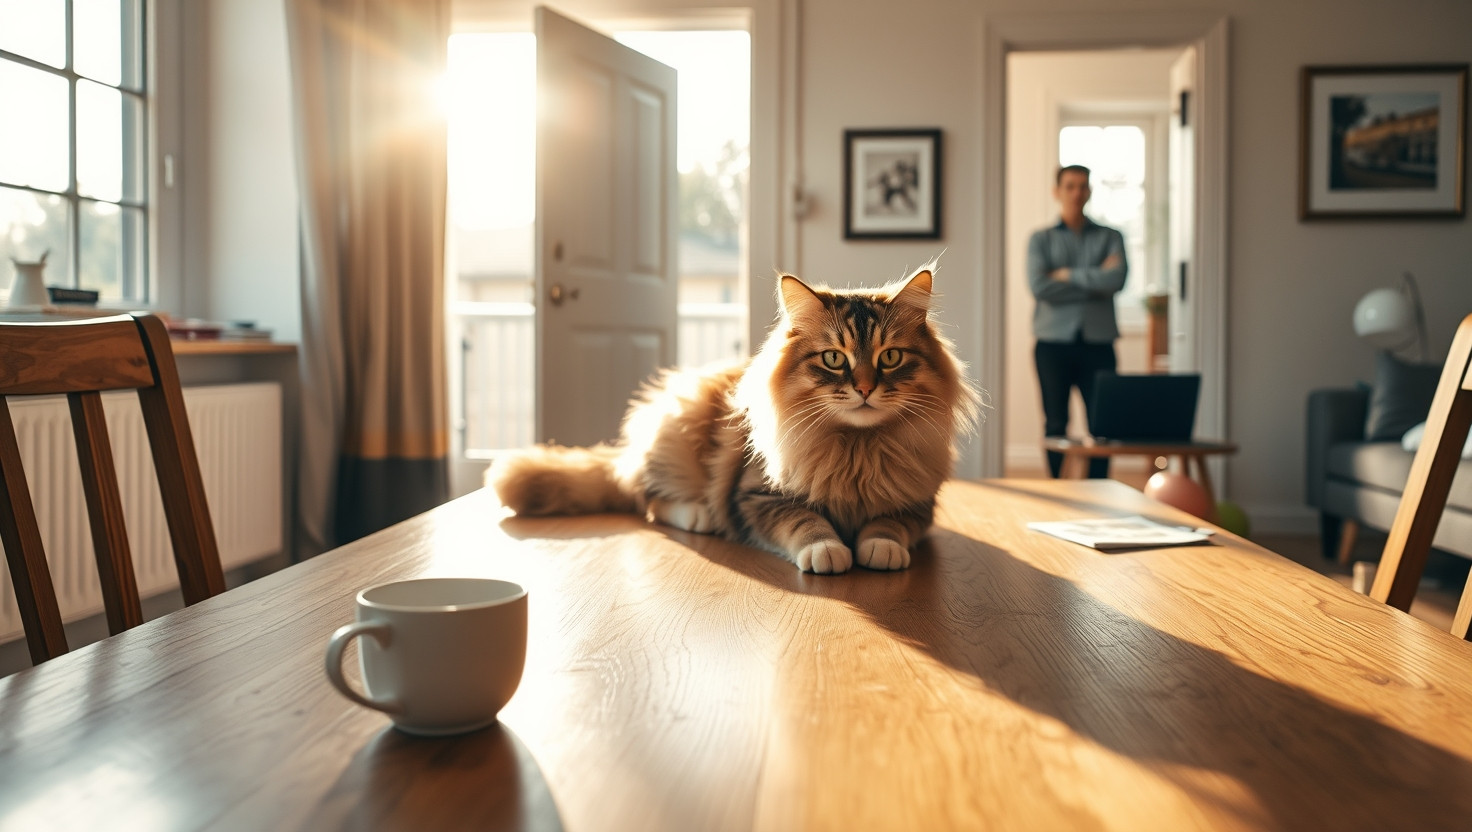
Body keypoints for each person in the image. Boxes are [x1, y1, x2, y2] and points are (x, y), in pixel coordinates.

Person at [1027, 164, 1128, 479]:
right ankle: (1057, 488)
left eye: (1083, 186)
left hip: (1099, 344)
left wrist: (1066, 275)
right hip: (1051, 344)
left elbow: (1116, 280)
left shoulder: (1111, 237)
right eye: (1070, 186)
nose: (1076, 192)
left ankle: (1099, 487)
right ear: (1057, 192)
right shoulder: (1040, 239)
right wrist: (1095, 282)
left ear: (1090, 191)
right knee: (1055, 422)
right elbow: (1039, 286)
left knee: (1103, 424)